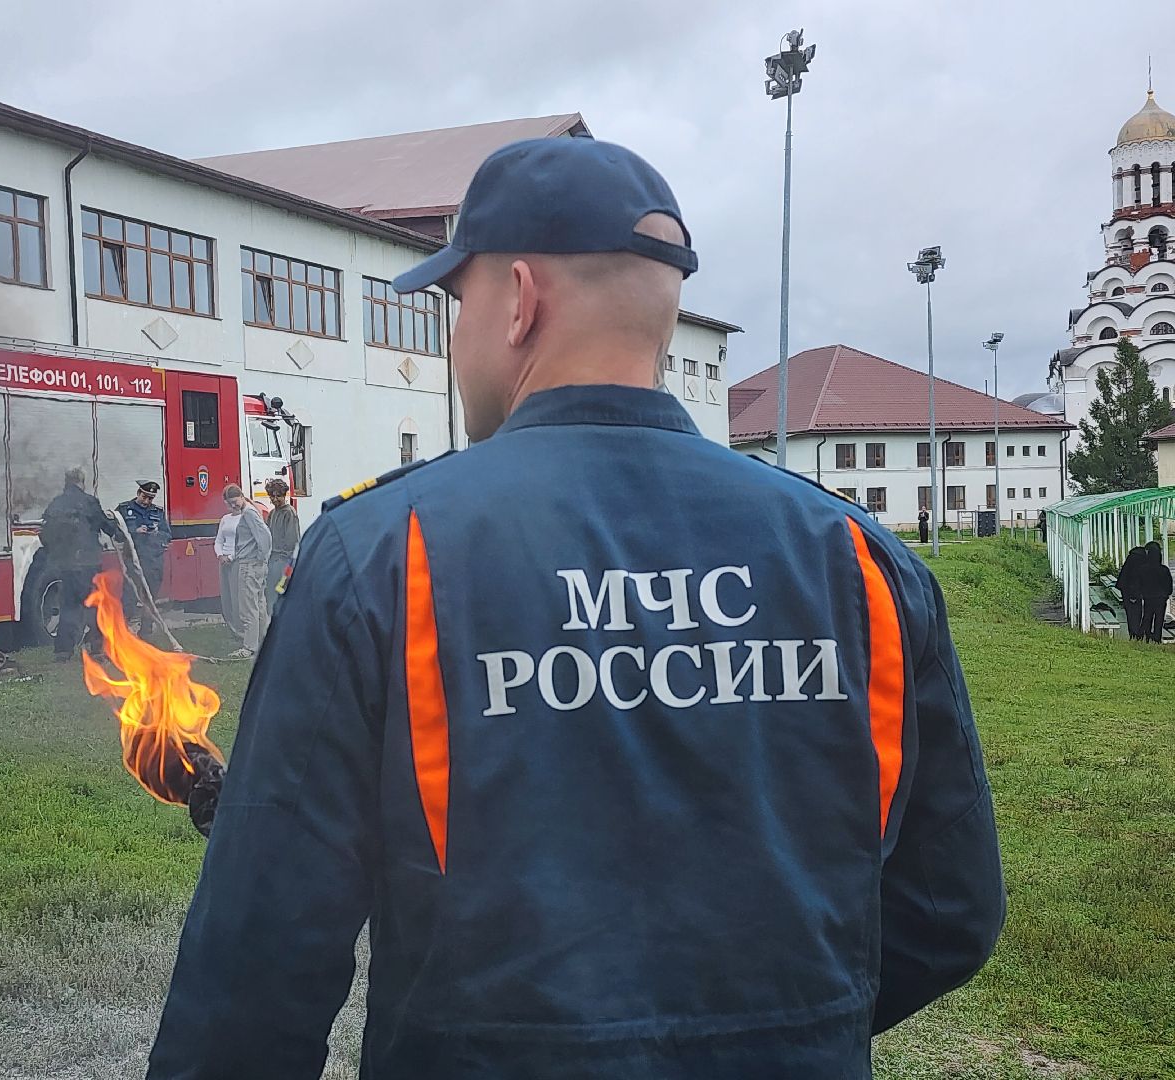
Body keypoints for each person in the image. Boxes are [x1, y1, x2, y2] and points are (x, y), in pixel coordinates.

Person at [147, 138, 1005, 1079]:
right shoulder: (856, 558)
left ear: (518, 300)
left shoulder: (382, 554)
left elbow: (256, 968)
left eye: (457, 303)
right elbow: (949, 910)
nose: (457, 337)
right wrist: (773, 1034)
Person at [40, 468, 116, 661]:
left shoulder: (55, 504)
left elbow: (44, 535)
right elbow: (107, 527)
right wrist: (118, 528)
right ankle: (97, 649)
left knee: (68, 608)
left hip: (65, 567)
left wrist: (57, 554)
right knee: (95, 605)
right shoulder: (90, 502)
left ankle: (63, 652)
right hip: (88, 564)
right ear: (82, 482)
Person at [116, 480, 172, 640]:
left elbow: (167, 535)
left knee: (150, 599)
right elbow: (116, 533)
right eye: (145, 497)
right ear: (138, 493)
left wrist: (156, 536)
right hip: (133, 561)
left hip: (153, 562)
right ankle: (122, 633)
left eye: (151, 498)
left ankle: (146, 633)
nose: (147, 501)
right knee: (129, 599)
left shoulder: (158, 512)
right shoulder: (124, 509)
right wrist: (135, 531)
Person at [221, 484, 271, 660]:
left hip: (249, 564)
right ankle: (264, 641)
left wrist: (261, 558)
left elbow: (265, 536)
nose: (233, 506)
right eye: (230, 504)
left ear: (241, 496)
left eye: (235, 502)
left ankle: (249, 647)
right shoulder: (251, 510)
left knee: (248, 607)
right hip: (254, 564)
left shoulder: (249, 512)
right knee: (259, 604)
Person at [264, 477, 301, 609]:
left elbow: (292, 539)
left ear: (284, 495)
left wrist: (287, 561)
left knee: (281, 594)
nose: (274, 499)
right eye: (272, 496)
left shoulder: (289, 513)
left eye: (278, 496)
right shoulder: (272, 513)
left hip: (283, 559)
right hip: (272, 558)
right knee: (270, 593)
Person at [215, 509, 243, 641]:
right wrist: (220, 555)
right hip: (223, 559)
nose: (232, 505)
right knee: (226, 596)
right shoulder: (225, 518)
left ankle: (240, 630)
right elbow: (219, 540)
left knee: (236, 595)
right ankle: (231, 629)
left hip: (236, 560)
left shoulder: (244, 518)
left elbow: (244, 544)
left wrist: (231, 557)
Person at [1139, 540, 1172, 643]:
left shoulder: (1143, 569)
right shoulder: (1164, 570)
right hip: (1161, 598)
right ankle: (1157, 637)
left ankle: (1146, 635)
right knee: (1159, 619)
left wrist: (1142, 593)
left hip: (1148, 597)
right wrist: (1167, 594)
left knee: (1147, 616)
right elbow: (1168, 584)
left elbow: (1140, 583)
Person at [1116, 545, 1147, 641]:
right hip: (1132, 589)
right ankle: (1136, 633)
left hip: (1125, 587)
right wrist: (1134, 594)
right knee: (1136, 611)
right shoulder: (1140, 559)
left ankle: (1133, 632)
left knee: (1130, 611)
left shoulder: (1132, 557)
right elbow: (1135, 577)